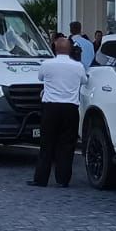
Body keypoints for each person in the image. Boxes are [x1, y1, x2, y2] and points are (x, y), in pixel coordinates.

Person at [31, 36, 86, 188]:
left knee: (46, 144)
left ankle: (41, 179)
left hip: (51, 107)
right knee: (67, 144)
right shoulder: (78, 66)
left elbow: (40, 77)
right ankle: (63, 179)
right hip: (70, 107)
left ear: (55, 48)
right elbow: (84, 80)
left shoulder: (47, 64)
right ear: (70, 49)